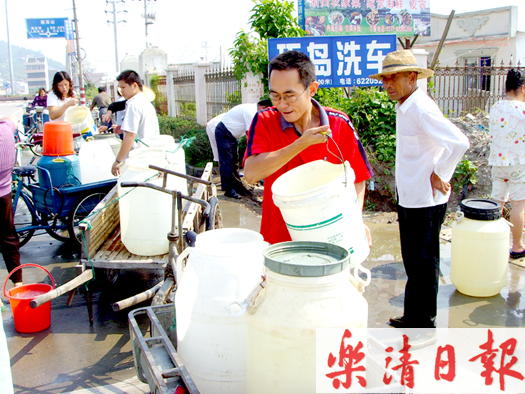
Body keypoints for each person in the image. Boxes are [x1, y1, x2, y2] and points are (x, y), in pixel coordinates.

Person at [370, 50, 469, 328]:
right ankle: (416, 315)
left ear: (412, 77)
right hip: (411, 197)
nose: (388, 84)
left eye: (393, 78)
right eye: (384, 79)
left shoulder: (420, 107)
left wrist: (441, 172)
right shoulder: (406, 105)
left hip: (425, 201)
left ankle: (422, 319)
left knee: (423, 264)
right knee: (415, 262)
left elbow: (459, 143)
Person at [243, 50, 373, 245]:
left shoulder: (339, 124)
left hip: (330, 238)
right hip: (280, 241)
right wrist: (300, 144)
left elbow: (358, 178)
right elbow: (251, 174)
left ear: (311, 89)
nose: (282, 105)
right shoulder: (264, 121)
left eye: (290, 96)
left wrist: (355, 220)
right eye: (275, 96)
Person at [488, 69, 525, 258]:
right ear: (523, 89)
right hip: (518, 163)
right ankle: (517, 247)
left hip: (497, 162)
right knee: (518, 205)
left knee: (497, 203)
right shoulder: (523, 110)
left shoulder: (495, 107)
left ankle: (494, 243)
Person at [216, 100, 272, 199]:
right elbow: (250, 134)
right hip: (223, 133)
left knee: (234, 162)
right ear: (264, 108)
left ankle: (238, 187)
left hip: (230, 135)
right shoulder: (251, 112)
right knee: (227, 162)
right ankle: (228, 190)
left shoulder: (253, 110)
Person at [111, 70, 159, 176]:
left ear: (134, 85)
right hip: (151, 156)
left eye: (123, 87)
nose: (121, 91)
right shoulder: (146, 103)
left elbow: (130, 135)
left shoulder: (133, 105)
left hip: (139, 160)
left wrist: (118, 161)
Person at [0, 116, 23, 311]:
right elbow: (11, 120)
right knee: (8, 238)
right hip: (4, 195)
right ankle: (18, 283)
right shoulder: (7, 129)